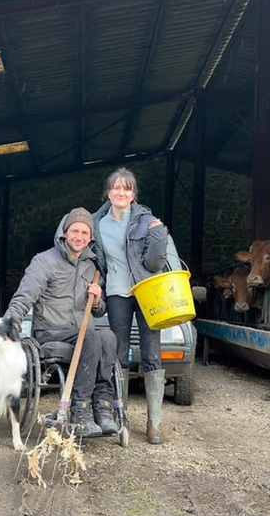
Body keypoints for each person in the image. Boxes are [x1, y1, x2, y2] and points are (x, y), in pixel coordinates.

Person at [4, 207, 118, 437]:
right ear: (64, 233)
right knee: (93, 336)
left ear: (90, 237)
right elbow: (25, 294)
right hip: (50, 331)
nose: (79, 237)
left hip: (83, 332)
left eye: (85, 233)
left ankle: (103, 405)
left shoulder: (91, 266)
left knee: (109, 336)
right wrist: (11, 321)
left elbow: (99, 311)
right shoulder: (44, 261)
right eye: (75, 231)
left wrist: (97, 301)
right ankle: (81, 407)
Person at [93, 168, 168, 444]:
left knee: (151, 354)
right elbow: (97, 260)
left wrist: (159, 237)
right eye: (116, 188)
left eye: (126, 189)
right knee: (118, 352)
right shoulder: (97, 223)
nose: (121, 193)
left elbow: (154, 264)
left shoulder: (147, 220)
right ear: (109, 192)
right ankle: (120, 416)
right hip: (116, 293)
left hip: (147, 292)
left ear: (133, 194)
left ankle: (154, 423)